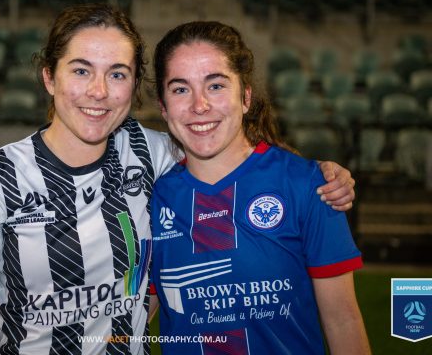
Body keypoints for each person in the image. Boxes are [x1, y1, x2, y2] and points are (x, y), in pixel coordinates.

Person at [0, 4, 356, 355]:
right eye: (81, 70)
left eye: (118, 74)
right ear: (49, 77)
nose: (100, 91)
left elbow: (225, 141)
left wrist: (318, 173)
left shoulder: (151, 152)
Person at [150, 21, 371, 354]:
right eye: (181, 89)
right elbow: (132, 317)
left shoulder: (308, 185)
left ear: (246, 97)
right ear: (163, 106)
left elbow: (343, 321)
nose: (199, 105)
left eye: (216, 86)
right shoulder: (153, 199)